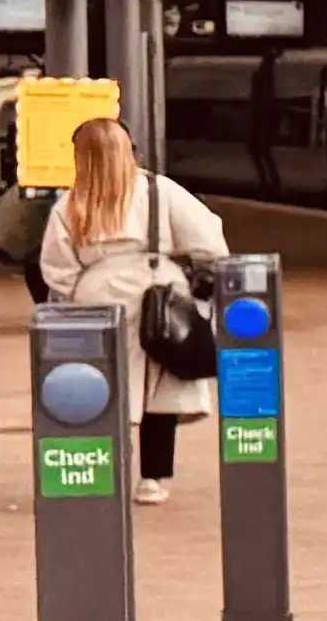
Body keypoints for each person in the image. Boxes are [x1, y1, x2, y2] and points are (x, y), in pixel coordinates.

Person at [36, 110, 232, 504]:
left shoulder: (70, 203)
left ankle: (102, 471)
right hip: (158, 293)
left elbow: (56, 267)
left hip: (96, 301)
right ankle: (153, 479)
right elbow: (210, 241)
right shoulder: (160, 191)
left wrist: (81, 291)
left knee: (101, 389)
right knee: (159, 391)